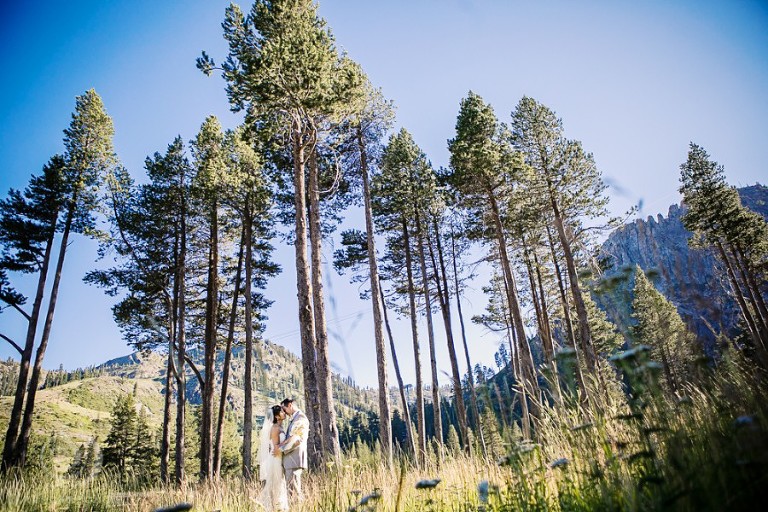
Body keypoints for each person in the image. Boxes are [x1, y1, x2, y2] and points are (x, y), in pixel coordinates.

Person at [275, 398, 309, 503]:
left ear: (290, 405)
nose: (284, 412)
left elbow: (297, 439)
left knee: (294, 494)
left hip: (294, 459)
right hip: (291, 460)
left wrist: (281, 450)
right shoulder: (295, 418)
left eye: (284, 409)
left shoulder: (300, 418)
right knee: (291, 493)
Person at [256, 404, 288, 511]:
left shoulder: (279, 427)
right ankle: (274, 507)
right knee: (277, 484)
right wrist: (290, 439)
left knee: (280, 483)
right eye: (282, 412)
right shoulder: (275, 428)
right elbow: (276, 448)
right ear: (277, 416)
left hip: (279, 458)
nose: (284, 413)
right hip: (276, 459)